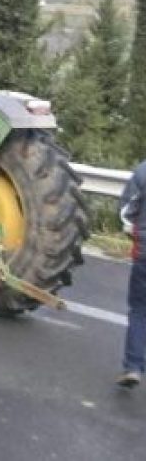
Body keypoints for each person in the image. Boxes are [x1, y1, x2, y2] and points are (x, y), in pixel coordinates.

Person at [117, 158, 146, 388]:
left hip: (145, 254)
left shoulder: (143, 171)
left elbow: (127, 212)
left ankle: (134, 368)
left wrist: (133, 234)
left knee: (139, 310)